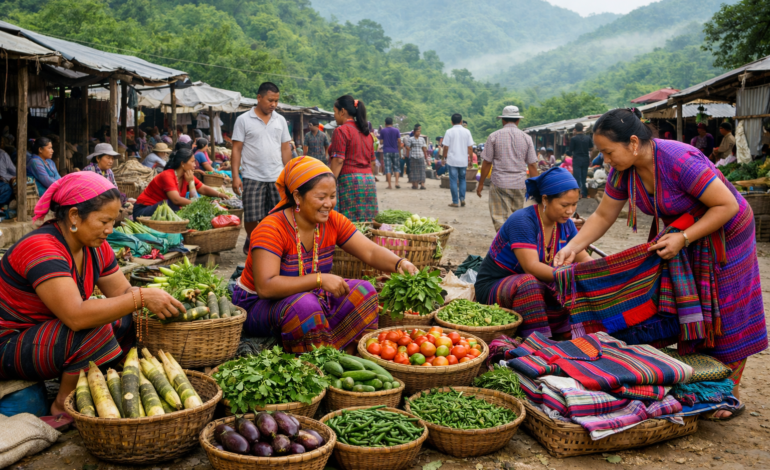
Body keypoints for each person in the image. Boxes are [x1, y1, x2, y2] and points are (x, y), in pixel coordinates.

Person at [554, 108, 766, 420]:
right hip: (683, 234)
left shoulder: (679, 160)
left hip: (725, 232)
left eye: (608, 152)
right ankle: (704, 381)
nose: (606, 160)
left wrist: (685, 238)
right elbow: (603, 215)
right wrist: (572, 247)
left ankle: (728, 393)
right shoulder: (623, 171)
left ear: (633, 143)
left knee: (725, 306)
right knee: (691, 303)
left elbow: (727, 205)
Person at [0, 172, 183, 415]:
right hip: (11, 342)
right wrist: (141, 297)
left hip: (49, 334)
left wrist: (153, 298)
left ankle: (105, 374)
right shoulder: (41, 248)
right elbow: (76, 316)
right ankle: (63, 404)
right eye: (104, 221)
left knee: (126, 318)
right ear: (75, 215)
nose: (110, 229)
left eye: (113, 221)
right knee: (94, 329)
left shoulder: (96, 247)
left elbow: (122, 292)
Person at [233, 157, 418, 353]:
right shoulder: (271, 228)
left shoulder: (332, 221)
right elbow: (266, 287)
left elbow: (370, 251)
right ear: (297, 197)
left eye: (332, 196)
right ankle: (319, 361)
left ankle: (351, 354)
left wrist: (400, 264)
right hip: (259, 306)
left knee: (364, 291)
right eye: (321, 197)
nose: (329, 204)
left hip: (311, 296)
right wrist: (319, 279)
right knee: (305, 306)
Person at [475, 167, 589, 337]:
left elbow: (583, 257)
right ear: (545, 199)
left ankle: (562, 333)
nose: (570, 211)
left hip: (535, 285)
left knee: (574, 280)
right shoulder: (523, 221)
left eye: (574, 204)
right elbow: (531, 267)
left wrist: (604, 271)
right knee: (534, 282)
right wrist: (569, 275)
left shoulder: (566, 225)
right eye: (564, 205)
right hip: (495, 287)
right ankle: (538, 340)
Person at [232, 82, 292, 254]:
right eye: (270, 100)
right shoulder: (243, 120)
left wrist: (289, 173)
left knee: (278, 215)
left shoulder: (280, 120)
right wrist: (235, 176)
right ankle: (253, 240)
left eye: (276, 101)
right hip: (252, 176)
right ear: (259, 98)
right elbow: (236, 149)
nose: (274, 104)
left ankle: (272, 245)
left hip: (277, 176)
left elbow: (285, 148)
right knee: (252, 215)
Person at [477, 106, 539, 231]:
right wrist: (536, 187)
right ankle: (516, 239)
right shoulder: (527, 138)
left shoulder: (493, 136)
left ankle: (503, 240)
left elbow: (487, 162)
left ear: (503, 120)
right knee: (519, 217)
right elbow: (532, 164)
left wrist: (481, 183)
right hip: (519, 184)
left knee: (500, 218)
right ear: (518, 120)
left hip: (499, 183)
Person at [133, 149, 229, 217]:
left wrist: (220, 195)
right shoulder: (167, 175)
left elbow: (202, 188)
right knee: (171, 204)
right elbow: (176, 200)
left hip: (161, 210)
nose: (195, 165)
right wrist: (200, 205)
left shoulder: (187, 175)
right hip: (144, 210)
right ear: (182, 163)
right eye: (192, 162)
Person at [328, 95, 378, 222]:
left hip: (350, 182)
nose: (334, 115)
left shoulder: (341, 131)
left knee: (349, 224)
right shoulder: (367, 134)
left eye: (335, 111)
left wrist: (330, 182)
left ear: (342, 112)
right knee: (367, 223)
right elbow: (372, 163)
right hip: (368, 182)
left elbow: (338, 160)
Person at [442, 113, 474, 207]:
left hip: (452, 160)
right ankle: (462, 198)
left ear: (451, 122)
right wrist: (471, 160)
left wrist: (444, 157)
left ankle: (455, 202)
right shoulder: (467, 132)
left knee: (453, 180)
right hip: (463, 160)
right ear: (461, 121)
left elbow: (445, 147)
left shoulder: (449, 132)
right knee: (462, 179)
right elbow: (470, 147)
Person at [566, 123, 594, 198]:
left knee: (577, 177)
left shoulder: (573, 139)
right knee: (584, 177)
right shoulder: (588, 138)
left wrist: (567, 153)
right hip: (585, 159)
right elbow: (592, 148)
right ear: (583, 128)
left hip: (577, 159)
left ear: (575, 129)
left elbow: (570, 151)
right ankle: (584, 194)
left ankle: (577, 194)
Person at [380, 117, 402, 189]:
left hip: (386, 151)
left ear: (385, 123)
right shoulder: (396, 130)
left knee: (388, 168)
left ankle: (389, 185)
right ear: (392, 123)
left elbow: (381, 142)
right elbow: (399, 141)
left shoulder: (383, 131)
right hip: (395, 151)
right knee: (396, 167)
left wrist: (385, 139)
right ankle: (396, 183)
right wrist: (399, 149)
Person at [405, 124, 429, 190]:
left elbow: (424, 148)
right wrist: (408, 149)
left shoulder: (422, 139)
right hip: (413, 156)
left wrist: (425, 155)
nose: (419, 133)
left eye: (419, 132)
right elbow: (407, 147)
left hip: (421, 156)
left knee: (422, 170)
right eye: (417, 132)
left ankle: (422, 184)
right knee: (414, 171)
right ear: (414, 132)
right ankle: (415, 184)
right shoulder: (411, 139)